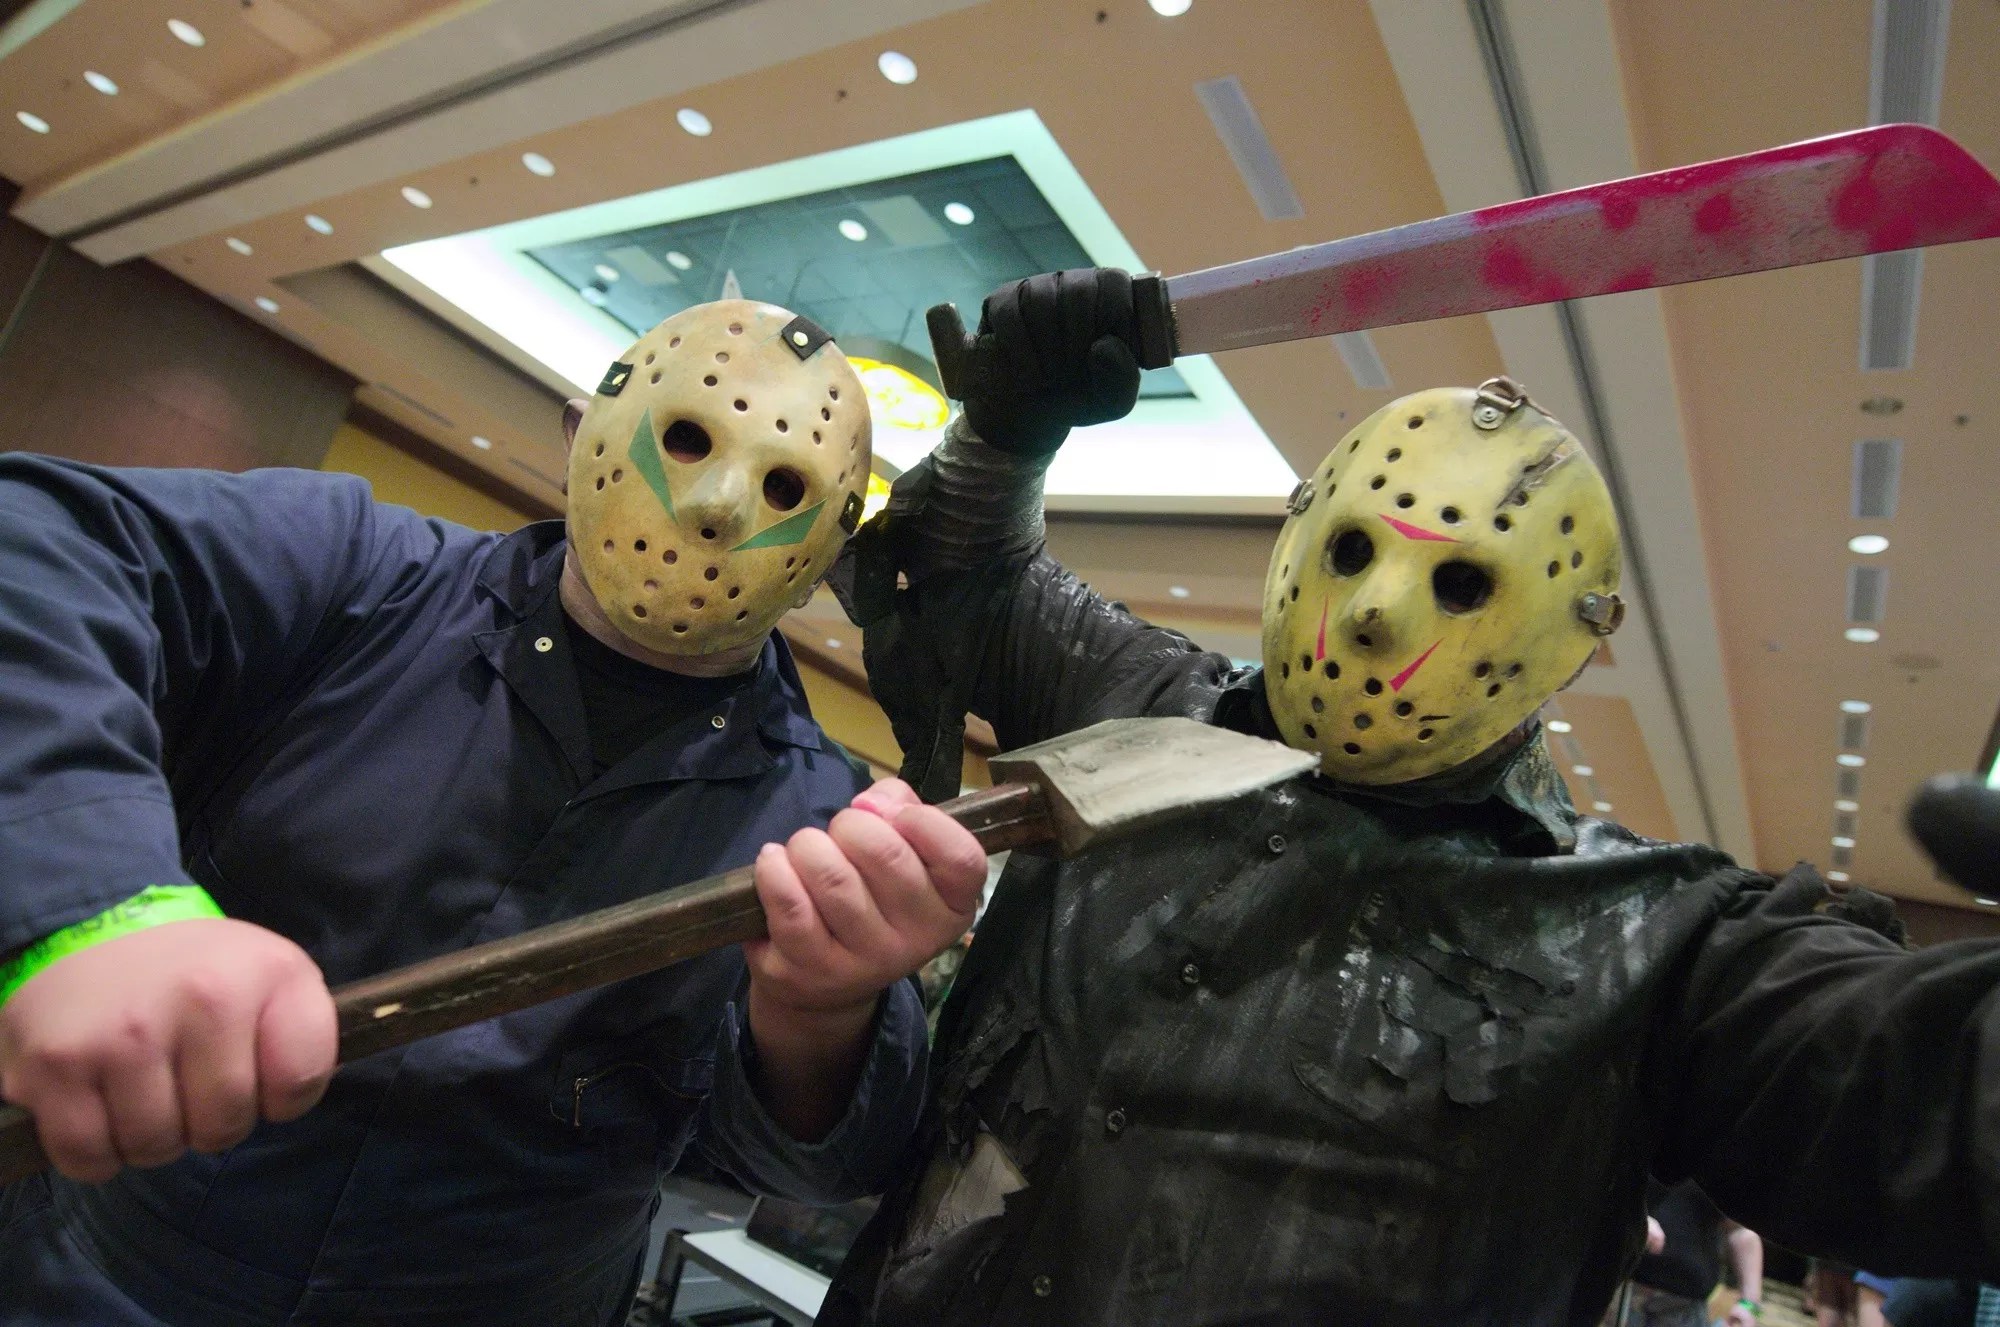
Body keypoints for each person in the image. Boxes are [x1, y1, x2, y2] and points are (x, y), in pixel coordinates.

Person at [816, 269, 2000, 1325]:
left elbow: (1898, 1092)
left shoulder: (1648, 943)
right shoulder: (1135, 700)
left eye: (1463, 582)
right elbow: (966, 572)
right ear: (1299, 530)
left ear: (1571, 640)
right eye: (1353, 551)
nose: (1378, 612)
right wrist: (1002, 436)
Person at [0, 299, 987, 1326]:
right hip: (102, 1278)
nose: (717, 507)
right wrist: (95, 904)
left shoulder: (819, 811)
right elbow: (40, 543)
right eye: (688, 439)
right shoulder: (355, 576)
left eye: (785, 488)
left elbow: (806, 1167)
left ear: (829, 550)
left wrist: (820, 1016)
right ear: (581, 434)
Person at [1624, 1180, 1762, 1327]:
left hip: (1687, 1304)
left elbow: (1740, 1231)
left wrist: (1749, 1304)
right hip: (1626, 1290)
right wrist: (1636, 1219)